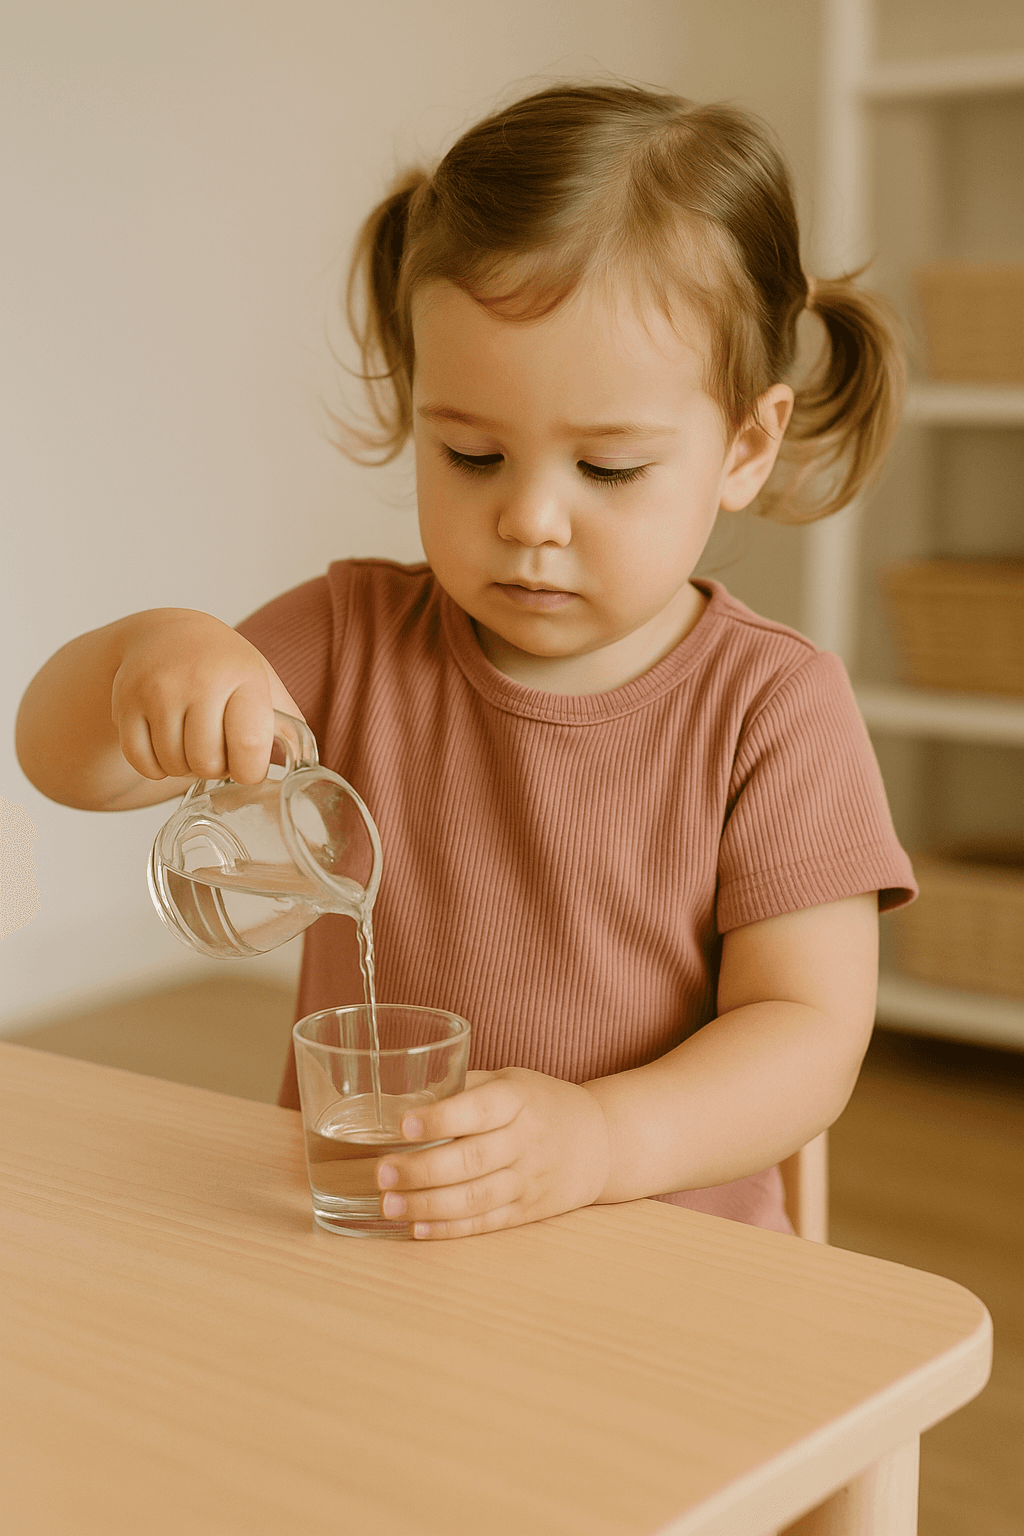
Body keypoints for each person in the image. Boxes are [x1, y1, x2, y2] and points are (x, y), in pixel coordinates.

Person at [16, 82, 916, 1241]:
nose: (530, 517)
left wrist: (599, 1141)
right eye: (472, 453)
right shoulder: (352, 638)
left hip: (658, 1259)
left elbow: (805, 1038)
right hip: (373, 1232)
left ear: (744, 447)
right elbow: (62, 762)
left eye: (608, 469)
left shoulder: (774, 709)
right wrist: (150, 659)